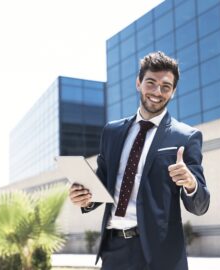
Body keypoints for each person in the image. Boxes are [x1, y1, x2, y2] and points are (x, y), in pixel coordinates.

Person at [69, 51, 210, 270]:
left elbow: (201, 205)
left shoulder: (186, 137)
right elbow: (102, 185)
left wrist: (190, 183)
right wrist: (84, 197)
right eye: (151, 83)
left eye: (166, 86)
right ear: (138, 83)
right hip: (114, 250)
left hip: (161, 255)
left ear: (173, 92)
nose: (157, 91)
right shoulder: (112, 132)